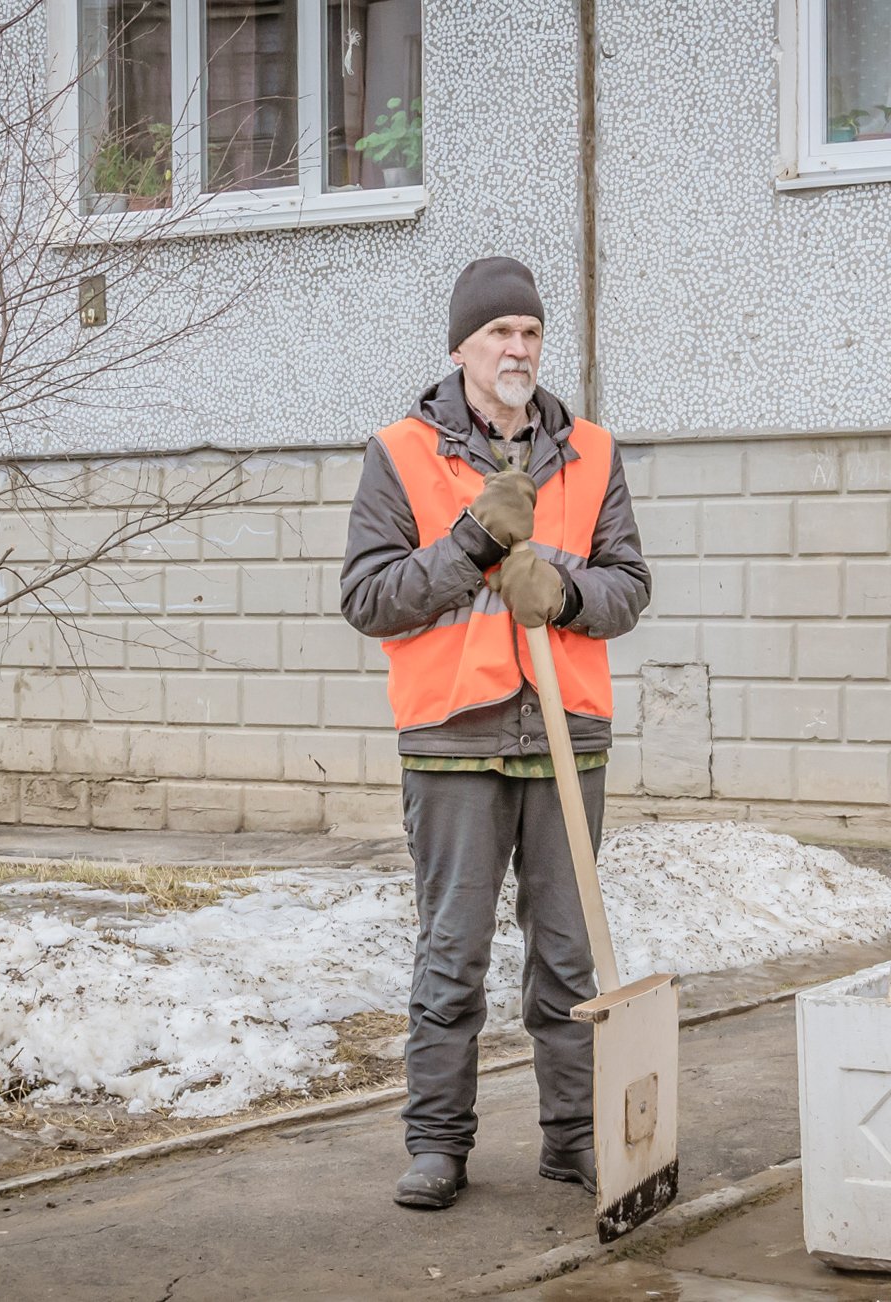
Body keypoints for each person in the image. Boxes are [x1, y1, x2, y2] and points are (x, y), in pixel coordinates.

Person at [339, 256, 652, 1210]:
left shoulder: (591, 452)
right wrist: (472, 544)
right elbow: (368, 599)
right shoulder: (401, 453)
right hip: (452, 738)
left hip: (568, 737)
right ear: (459, 349)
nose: (516, 349)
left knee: (566, 956)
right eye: (496, 334)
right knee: (453, 953)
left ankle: (576, 1138)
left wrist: (563, 592)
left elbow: (629, 587)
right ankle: (437, 1144)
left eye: (529, 332)